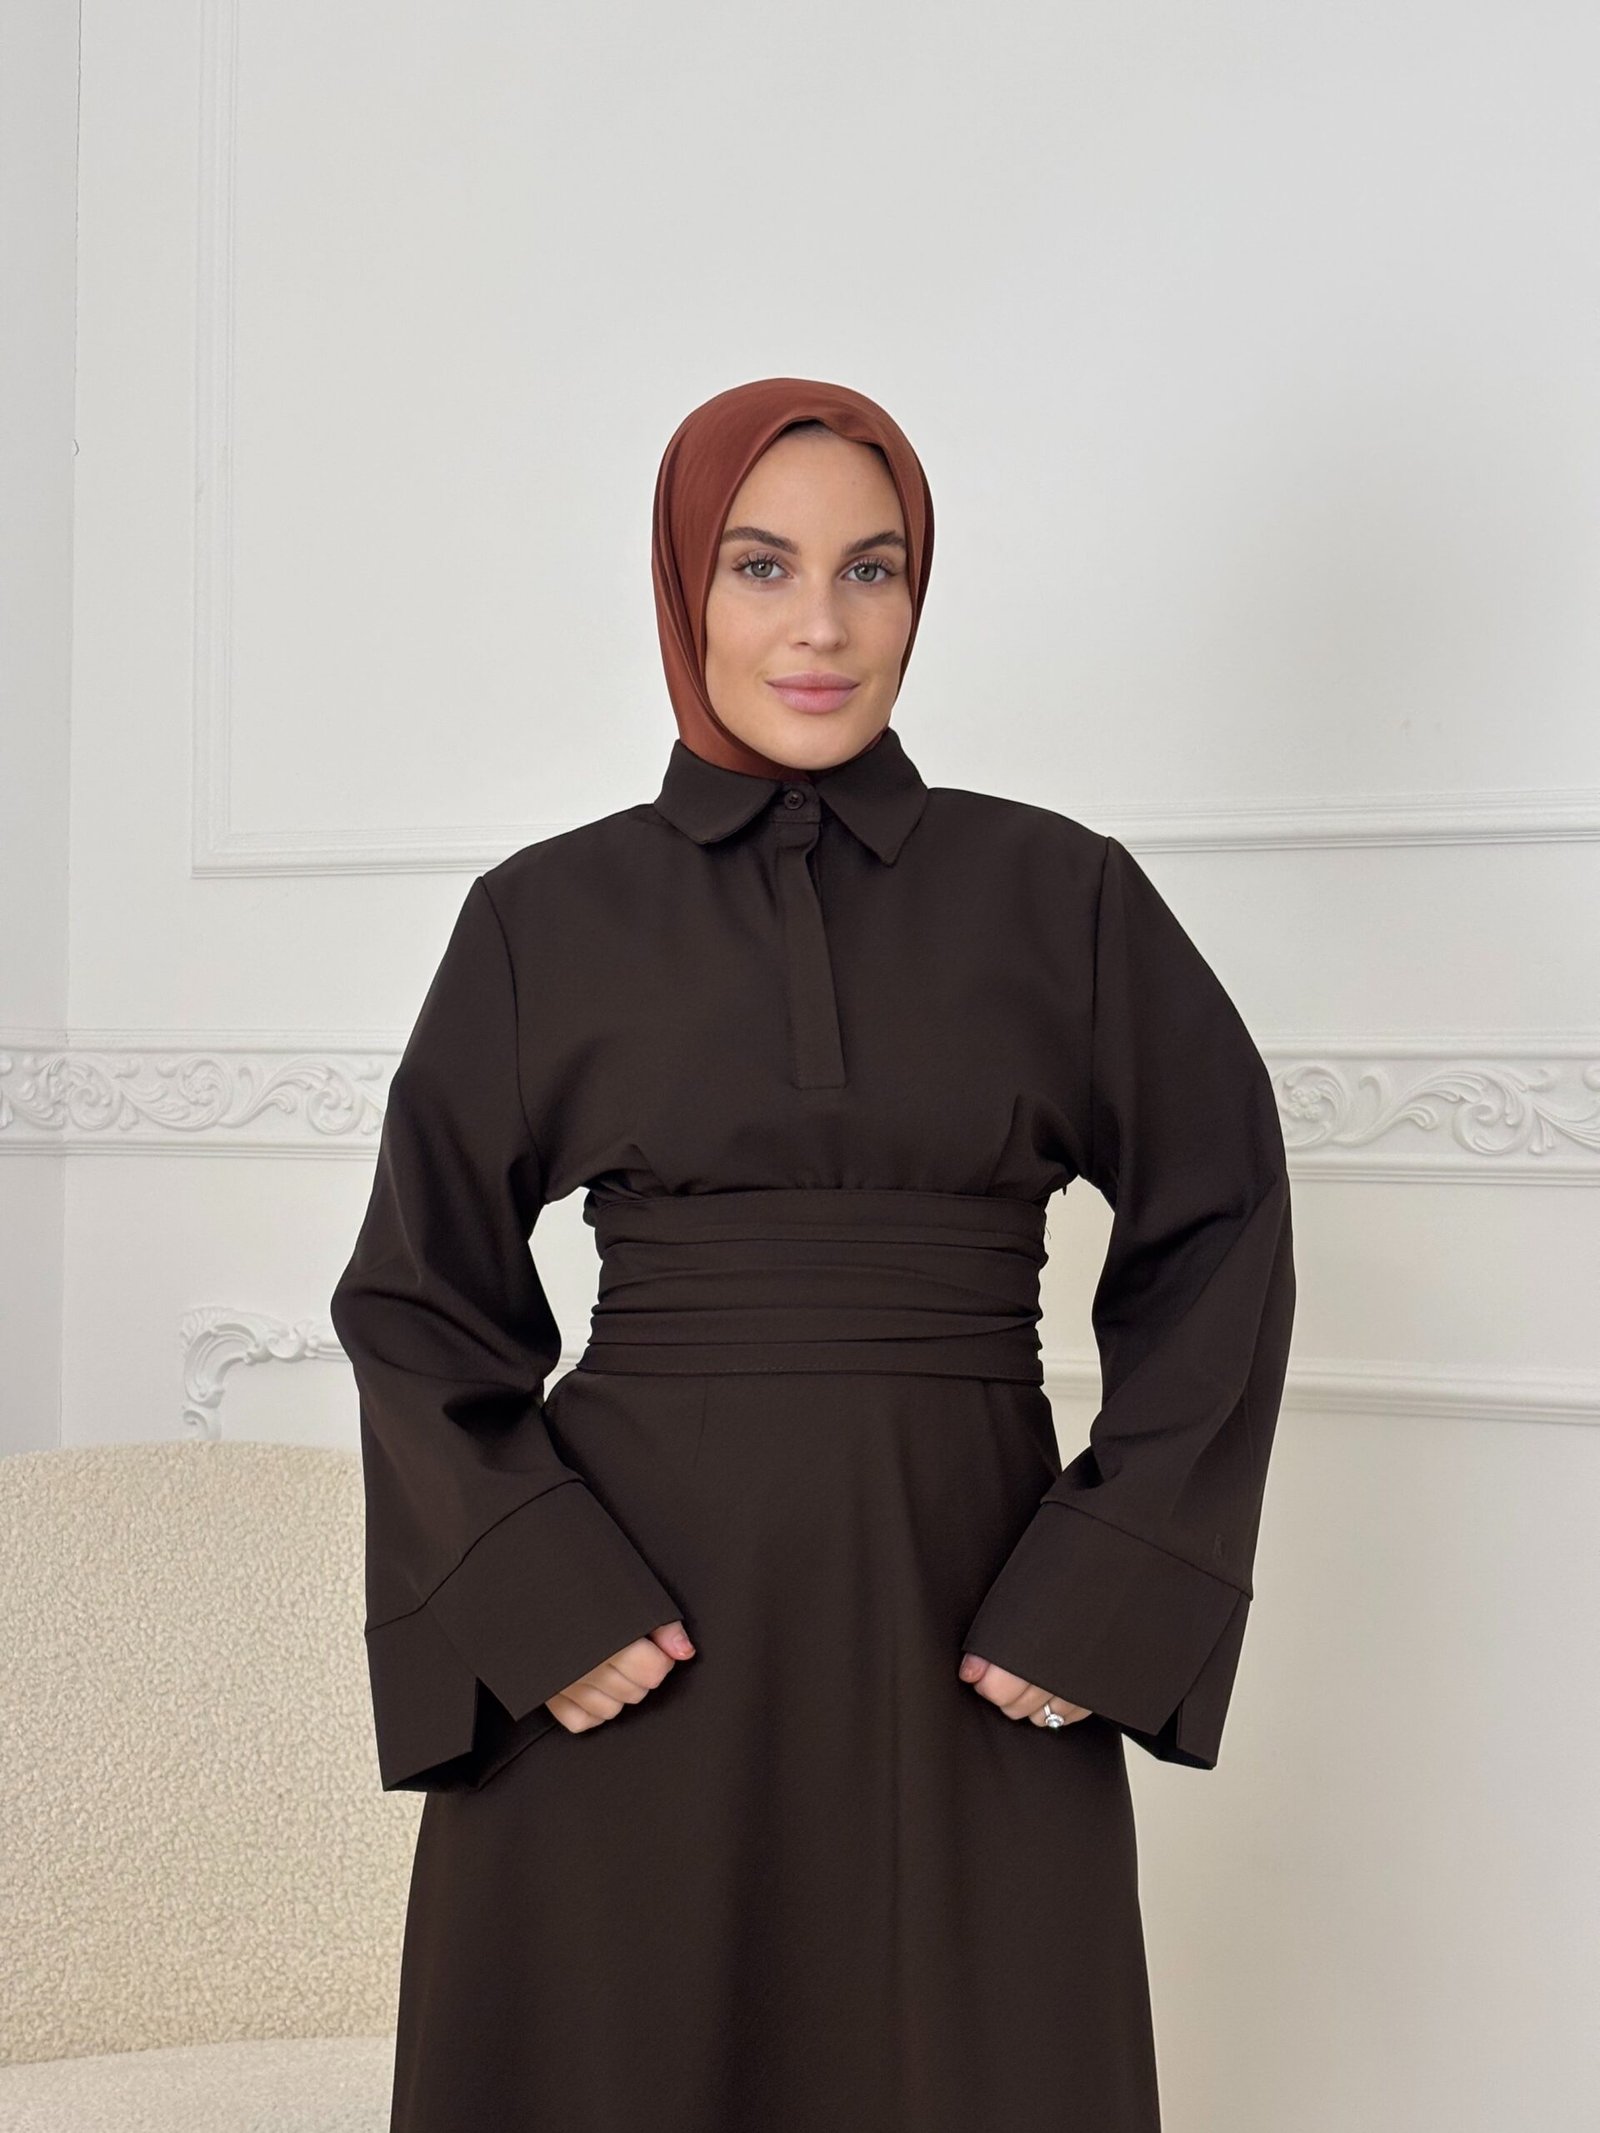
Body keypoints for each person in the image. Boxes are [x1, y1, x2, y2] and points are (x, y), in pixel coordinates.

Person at [328, 375, 1297, 2132]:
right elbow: (415, 1296)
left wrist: (1110, 1584)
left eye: (874, 568)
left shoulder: (1062, 894)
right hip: (626, 1653)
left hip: (970, 1640)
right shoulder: (543, 915)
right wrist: (533, 1599)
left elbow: (1224, 1228)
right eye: (763, 566)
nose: (823, 628)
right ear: (685, 585)